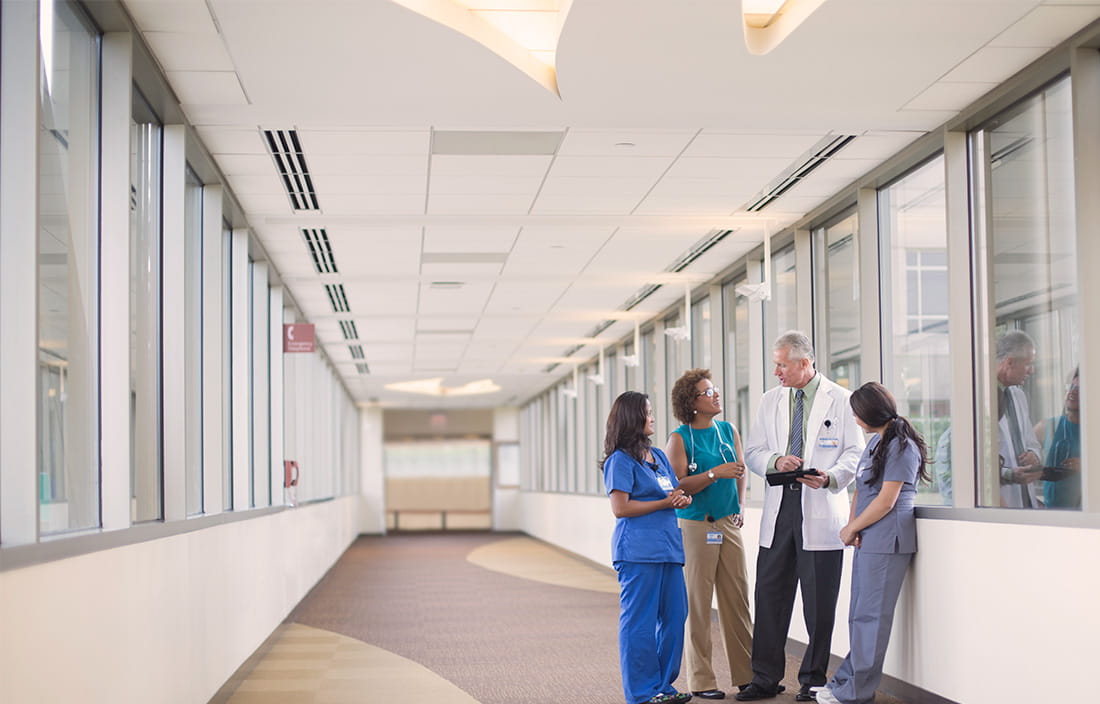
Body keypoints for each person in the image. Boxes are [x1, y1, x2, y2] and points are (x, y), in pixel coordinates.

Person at [737, 331, 864, 703]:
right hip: (781, 508)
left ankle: (812, 679)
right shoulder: (770, 400)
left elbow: (855, 454)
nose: (776, 371)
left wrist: (829, 477)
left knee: (819, 602)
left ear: (805, 363)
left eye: (782, 364)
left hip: (820, 504)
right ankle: (764, 677)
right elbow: (756, 451)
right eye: (775, 364)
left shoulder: (840, 401)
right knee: (770, 595)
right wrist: (777, 460)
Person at [815, 382, 929, 704]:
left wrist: (853, 528)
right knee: (858, 615)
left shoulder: (902, 446)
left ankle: (856, 693)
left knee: (872, 618)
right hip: (868, 539)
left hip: (887, 539)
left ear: (869, 412)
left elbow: (886, 501)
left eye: (856, 412)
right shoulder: (876, 444)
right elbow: (861, 491)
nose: (853, 418)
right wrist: (852, 527)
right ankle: (844, 683)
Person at [665, 369, 754, 700]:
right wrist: (714, 473)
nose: (716, 395)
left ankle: (747, 676)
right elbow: (677, 484)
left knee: (738, 600)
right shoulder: (679, 438)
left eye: (715, 389)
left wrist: (741, 504)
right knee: (698, 605)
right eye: (707, 392)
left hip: (728, 523)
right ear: (692, 402)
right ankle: (701, 681)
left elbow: (741, 470)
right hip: (695, 525)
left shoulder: (729, 430)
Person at [602, 391, 695, 704]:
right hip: (637, 551)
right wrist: (665, 502)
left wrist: (682, 498)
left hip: (668, 548)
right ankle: (642, 693)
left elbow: (672, 491)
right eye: (648, 412)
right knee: (640, 623)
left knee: (675, 617)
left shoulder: (659, 455)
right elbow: (621, 508)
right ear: (633, 418)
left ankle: (663, 686)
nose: (653, 417)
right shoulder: (619, 461)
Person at [995, 330, 1043, 508]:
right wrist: (1010, 474)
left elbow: (1032, 442)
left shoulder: (1019, 395)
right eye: (1028, 364)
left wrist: (1034, 456)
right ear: (1009, 362)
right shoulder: (982, 398)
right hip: (1001, 499)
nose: (1032, 370)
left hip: (1025, 498)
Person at [1034, 367, 1081, 509]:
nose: (1072, 392)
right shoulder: (1047, 426)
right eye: (1070, 386)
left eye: (1079, 388)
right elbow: (1018, 462)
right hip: (1053, 518)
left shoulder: (1093, 431)